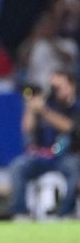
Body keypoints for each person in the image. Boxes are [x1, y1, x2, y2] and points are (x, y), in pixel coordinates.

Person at [10, 70, 80, 220]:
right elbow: (27, 129)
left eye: (58, 87)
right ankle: (20, 213)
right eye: (52, 86)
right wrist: (30, 108)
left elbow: (69, 127)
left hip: (66, 156)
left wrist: (43, 111)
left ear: (71, 86)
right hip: (42, 156)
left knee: (74, 168)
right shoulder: (47, 101)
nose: (54, 91)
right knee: (18, 166)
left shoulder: (75, 106)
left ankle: (66, 213)